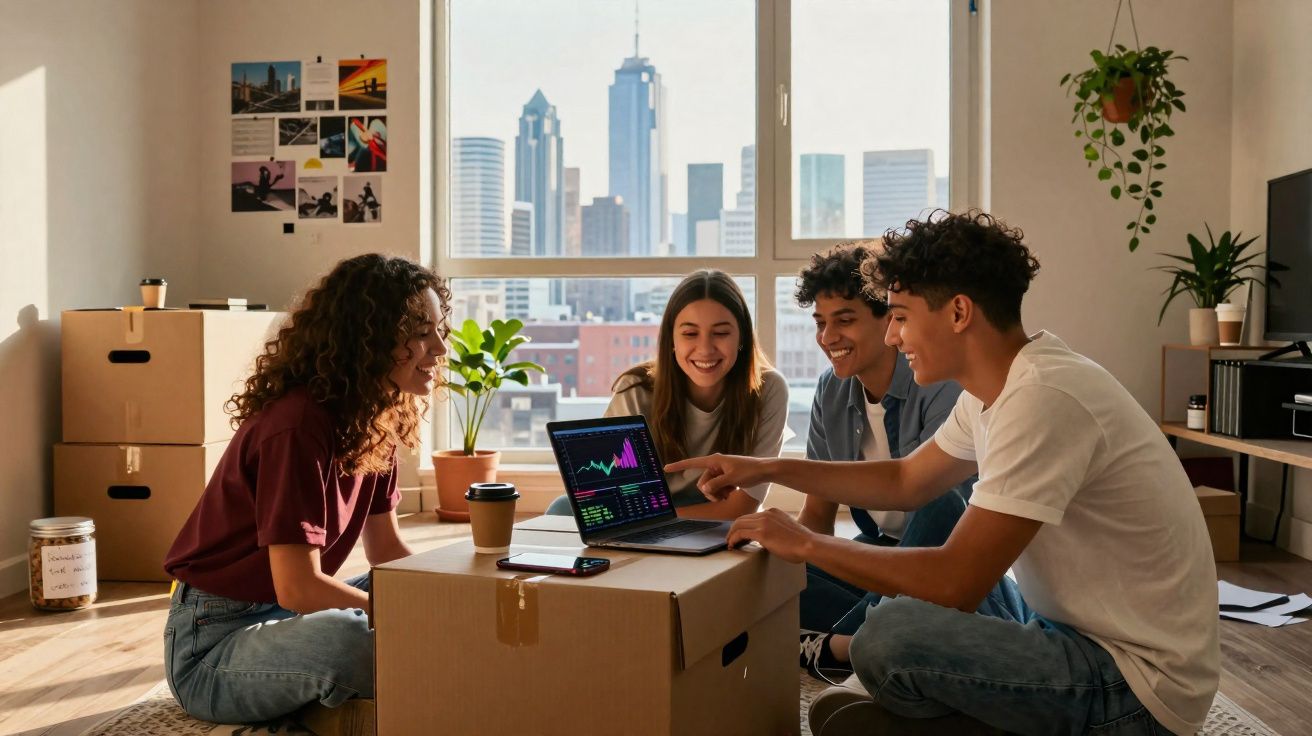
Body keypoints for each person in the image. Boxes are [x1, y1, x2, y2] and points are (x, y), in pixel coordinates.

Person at [668, 211, 1219, 735]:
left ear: (958, 313)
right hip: (1059, 629)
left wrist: (805, 544)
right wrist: (767, 467)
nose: (891, 336)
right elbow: (907, 481)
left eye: (901, 317)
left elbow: (956, 582)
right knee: (838, 594)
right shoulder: (997, 389)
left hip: (1133, 688)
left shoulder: (1042, 399)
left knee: (889, 635)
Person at [162, 254, 451, 724]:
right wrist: (401, 614)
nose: (439, 348)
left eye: (440, 330)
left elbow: (387, 549)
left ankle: (333, 703)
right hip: (213, 648)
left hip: (287, 619)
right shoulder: (296, 427)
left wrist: (449, 596)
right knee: (358, 640)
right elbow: (298, 587)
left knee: (423, 600)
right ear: (369, 339)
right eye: (421, 332)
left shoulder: (376, 419)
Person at [792, 241, 974, 681]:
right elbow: (817, 515)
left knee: (942, 503)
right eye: (821, 323)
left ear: (889, 319)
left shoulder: (935, 380)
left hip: (938, 559)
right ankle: (883, 633)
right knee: (771, 577)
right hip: (879, 559)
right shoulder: (830, 391)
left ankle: (836, 646)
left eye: (845, 320)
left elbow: (938, 504)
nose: (827, 338)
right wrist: (775, 569)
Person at [546, 269, 789, 520]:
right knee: (560, 512)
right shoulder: (635, 391)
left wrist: (661, 521)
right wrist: (652, 521)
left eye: (721, 333)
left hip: (707, 519)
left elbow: (740, 508)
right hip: (642, 514)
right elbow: (613, 499)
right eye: (690, 334)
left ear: (742, 338)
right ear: (671, 340)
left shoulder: (769, 389)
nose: (705, 349)